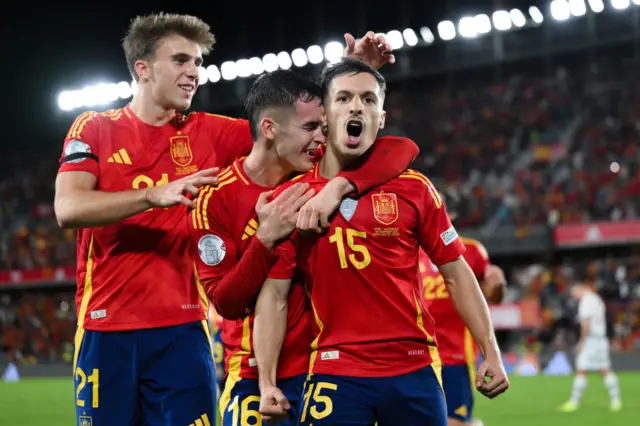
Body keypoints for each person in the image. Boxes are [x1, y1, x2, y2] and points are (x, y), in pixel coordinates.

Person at [53, 11, 397, 426]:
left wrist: (351, 78)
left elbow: (290, 124)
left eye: (198, 62)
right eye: (181, 60)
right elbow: (68, 209)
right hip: (106, 330)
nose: (194, 72)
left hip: (184, 330)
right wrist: (151, 195)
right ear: (142, 69)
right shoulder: (94, 128)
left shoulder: (213, 132)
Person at [255, 58, 509, 426]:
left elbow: (458, 273)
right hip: (334, 369)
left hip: (413, 367)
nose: (357, 106)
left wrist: (491, 351)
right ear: (324, 115)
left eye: (368, 100)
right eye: (343, 98)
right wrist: (266, 382)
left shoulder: (415, 189)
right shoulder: (292, 198)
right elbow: (274, 296)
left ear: (382, 118)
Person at [188, 69, 419, 426]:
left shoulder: (317, 171)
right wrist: (265, 240)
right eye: (310, 129)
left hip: (326, 369)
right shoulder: (217, 198)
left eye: (323, 129)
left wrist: (338, 185)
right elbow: (226, 302)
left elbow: (401, 149)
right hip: (255, 375)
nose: (320, 139)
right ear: (269, 129)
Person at [419, 197, 507, 426]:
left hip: (455, 355)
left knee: (453, 421)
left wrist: (497, 284)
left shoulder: (471, 250)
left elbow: (492, 296)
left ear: (449, 212)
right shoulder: (408, 250)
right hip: (416, 354)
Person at [559, 284, 622, 412]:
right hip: (601, 339)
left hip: (591, 340)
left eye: (574, 292)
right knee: (605, 370)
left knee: (582, 370)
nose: (574, 296)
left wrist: (582, 341)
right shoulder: (597, 300)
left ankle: (574, 402)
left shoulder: (586, 301)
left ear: (580, 288)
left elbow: (586, 323)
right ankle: (616, 401)